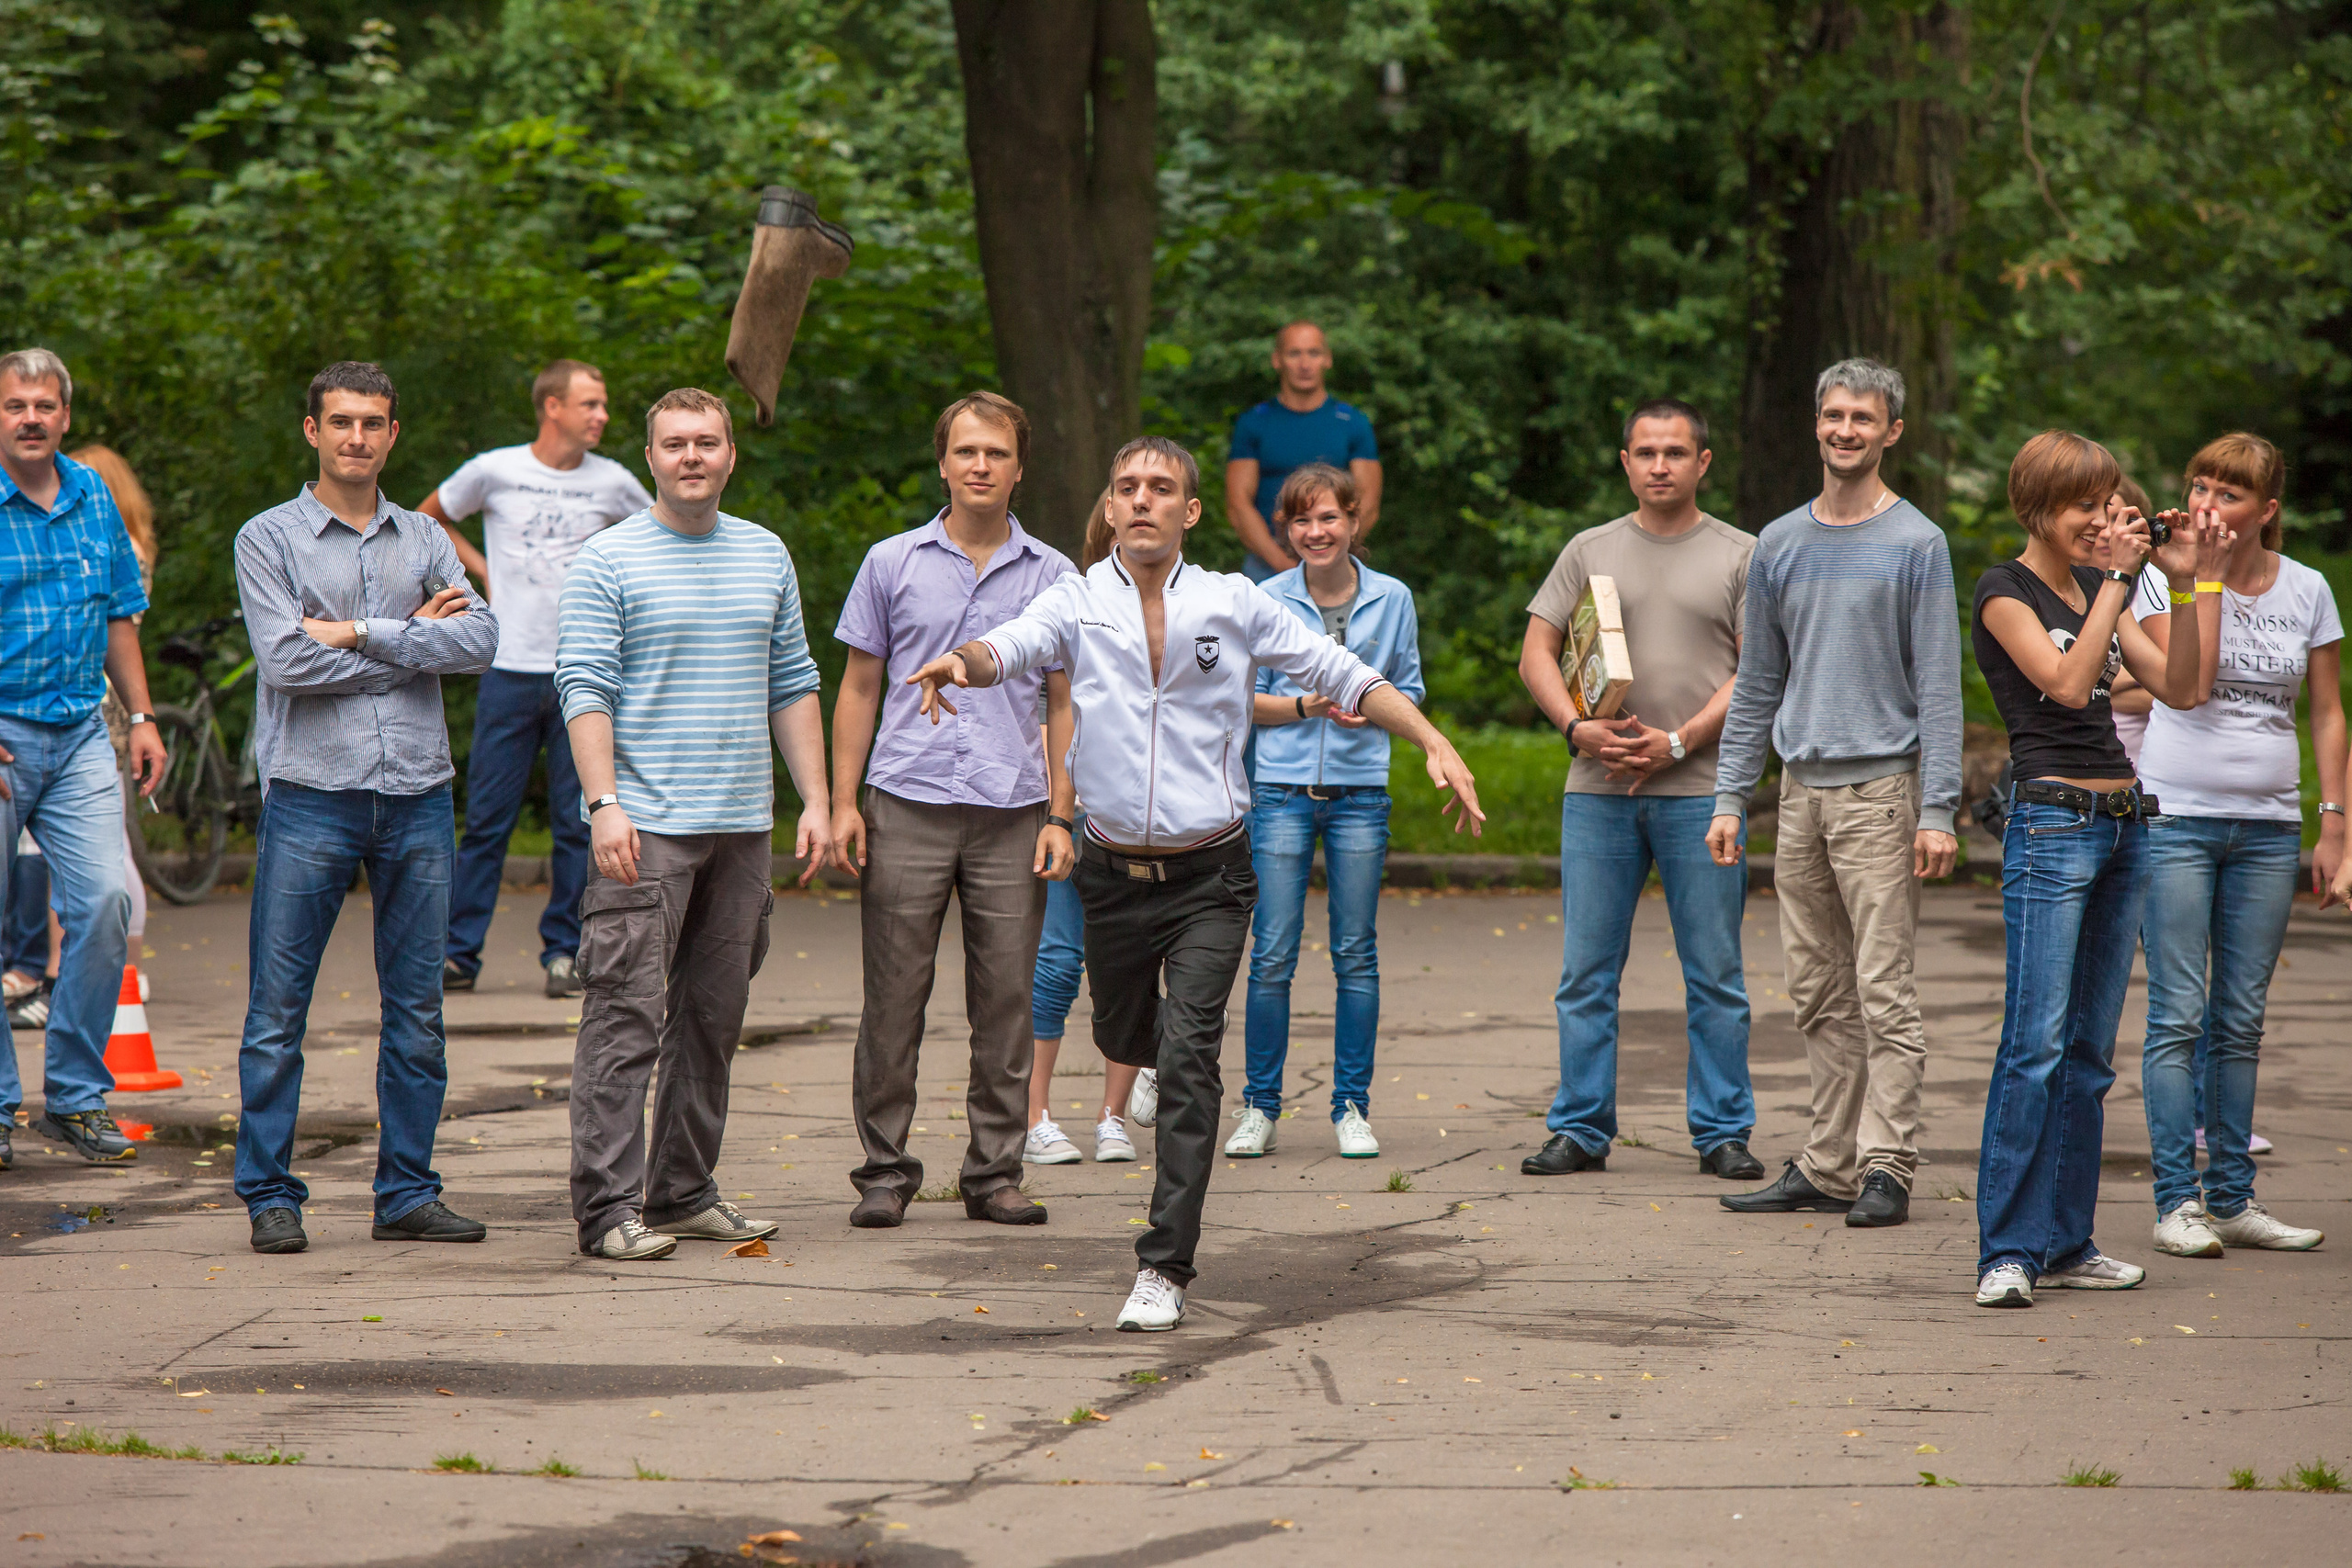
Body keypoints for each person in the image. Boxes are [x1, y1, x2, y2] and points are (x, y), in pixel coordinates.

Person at [907, 436, 1485, 1333]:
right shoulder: (1077, 598)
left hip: (1211, 873)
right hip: (1108, 876)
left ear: (1190, 512)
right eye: (1127, 486)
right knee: (1123, 1034)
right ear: (1109, 507)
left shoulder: (1232, 601)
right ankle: (1132, 1059)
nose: (1142, 499)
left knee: (1187, 1064)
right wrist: (961, 661)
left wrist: (1433, 741)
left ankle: (1163, 1265)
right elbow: (1012, 647)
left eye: (1161, 487)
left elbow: (1340, 674)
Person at [556, 387, 831, 1263]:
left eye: (706, 442)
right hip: (645, 828)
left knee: (712, 1020)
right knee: (624, 1020)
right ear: (650, 459)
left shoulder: (766, 554)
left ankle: (679, 1191)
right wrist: (605, 804)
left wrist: (817, 800)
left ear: (729, 455)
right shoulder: (609, 559)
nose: (691, 456)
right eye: (674, 443)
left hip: (742, 828)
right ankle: (606, 1210)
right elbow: (584, 689)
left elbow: (792, 681)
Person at [232, 361, 501, 1254]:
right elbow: (283, 664)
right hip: (311, 793)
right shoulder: (267, 540)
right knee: (279, 1010)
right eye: (340, 422)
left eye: (373, 423)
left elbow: (483, 638)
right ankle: (271, 1193)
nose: (357, 437)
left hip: (418, 794)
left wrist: (354, 629)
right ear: (311, 430)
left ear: (393, 433)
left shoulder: (424, 535)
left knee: (418, 1010)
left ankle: (408, 1194)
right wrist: (413, 640)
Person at [1710, 357, 1962, 1231]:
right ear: (1814, 423)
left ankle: (1887, 1163)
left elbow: (1938, 687)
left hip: (1881, 794)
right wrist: (1730, 796)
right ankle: (1828, 1163)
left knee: (1882, 987)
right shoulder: (1778, 542)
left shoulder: (1917, 543)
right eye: (1832, 415)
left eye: (1863, 417)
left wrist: (1938, 806)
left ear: (1892, 431)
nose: (1845, 430)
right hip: (1799, 797)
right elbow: (1755, 685)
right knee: (1817, 990)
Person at [1966, 431, 2217, 1307]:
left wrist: (2183, 581)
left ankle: (2066, 1241)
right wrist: (2118, 580)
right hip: (2052, 823)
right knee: (2032, 1046)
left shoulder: (2100, 588)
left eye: (2111, 506)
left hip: (2124, 825)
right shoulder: (2007, 590)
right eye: (2086, 507)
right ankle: (2008, 1248)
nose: (2103, 522)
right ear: (2036, 506)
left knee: (2086, 1055)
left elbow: (2185, 685)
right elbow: (2068, 686)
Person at [830, 392, 1078, 1229]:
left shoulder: (1053, 575)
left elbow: (1064, 702)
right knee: (893, 996)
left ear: (1019, 468)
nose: (980, 465)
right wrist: (841, 802)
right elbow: (859, 686)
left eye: (996, 453)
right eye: (965, 451)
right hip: (906, 800)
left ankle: (995, 1171)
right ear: (942, 462)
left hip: (1015, 807)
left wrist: (1060, 813)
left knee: (1006, 995)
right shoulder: (892, 561)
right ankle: (884, 1171)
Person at [1519, 400, 1760, 1181]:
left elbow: (1759, 672)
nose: (1660, 464)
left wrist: (1680, 740)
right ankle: (1581, 1127)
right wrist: (1572, 726)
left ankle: (1723, 1131)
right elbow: (1537, 651)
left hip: (1701, 793)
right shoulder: (1589, 549)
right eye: (1646, 451)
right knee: (1585, 972)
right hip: (1597, 792)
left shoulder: (1741, 554)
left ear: (1703, 462)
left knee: (1715, 972)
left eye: (1676, 451)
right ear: (1624, 461)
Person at [2130, 434, 2338, 1259]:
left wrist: (2337, 822)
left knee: (2241, 1018)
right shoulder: (2163, 573)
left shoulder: (2309, 589)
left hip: (2269, 824)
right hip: (2177, 812)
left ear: (2268, 510)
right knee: (2177, 1013)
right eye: (2202, 486)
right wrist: (2200, 578)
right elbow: (2195, 680)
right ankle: (2176, 1201)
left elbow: (2326, 710)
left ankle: (2233, 1198)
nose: (2211, 504)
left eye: (2232, 493)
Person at [421, 360, 652, 998]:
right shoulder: (495, 469)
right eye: (591, 404)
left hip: (585, 674)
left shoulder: (612, 481)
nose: (602, 416)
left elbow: (659, 536)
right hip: (508, 667)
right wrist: (478, 574)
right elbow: (428, 518)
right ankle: (460, 954)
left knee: (578, 822)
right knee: (487, 819)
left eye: (603, 405)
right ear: (553, 407)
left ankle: (565, 950)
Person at [0, 349, 168, 1173]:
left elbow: (119, 615)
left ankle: (72, 1096)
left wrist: (139, 715)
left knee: (105, 904)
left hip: (78, 735)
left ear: (65, 417)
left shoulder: (93, 494)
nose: (29, 417)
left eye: (44, 404)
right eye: (13, 405)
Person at [1227, 462, 1423, 1160]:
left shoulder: (1393, 598)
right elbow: (1240, 701)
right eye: (1302, 520)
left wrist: (1366, 713)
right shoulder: (1261, 596)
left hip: (1360, 795)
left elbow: (1411, 691)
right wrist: (1310, 705)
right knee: (1272, 953)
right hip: (1279, 793)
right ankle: (1259, 1106)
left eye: (1329, 517)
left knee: (1355, 954)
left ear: (1354, 520)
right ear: (1286, 529)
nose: (1317, 531)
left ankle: (1351, 1106)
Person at [1024, 486, 1143, 1167]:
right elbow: (1054, 707)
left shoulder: (1181, 605)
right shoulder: (1070, 598)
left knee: (1127, 964)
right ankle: (1037, 1114)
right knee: (1057, 960)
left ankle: (1112, 1116)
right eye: (1122, 499)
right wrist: (1058, 812)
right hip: (1074, 809)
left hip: (1142, 821)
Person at [1224, 321, 1382, 582]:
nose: (1305, 364)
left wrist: (1330, 557)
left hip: (1336, 557)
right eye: (1294, 353)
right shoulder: (1254, 423)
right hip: (1268, 563)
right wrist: (1285, 567)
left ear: (1327, 359)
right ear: (1277, 360)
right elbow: (1238, 505)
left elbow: (1369, 502)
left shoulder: (1353, 422)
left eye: (1314, 353)